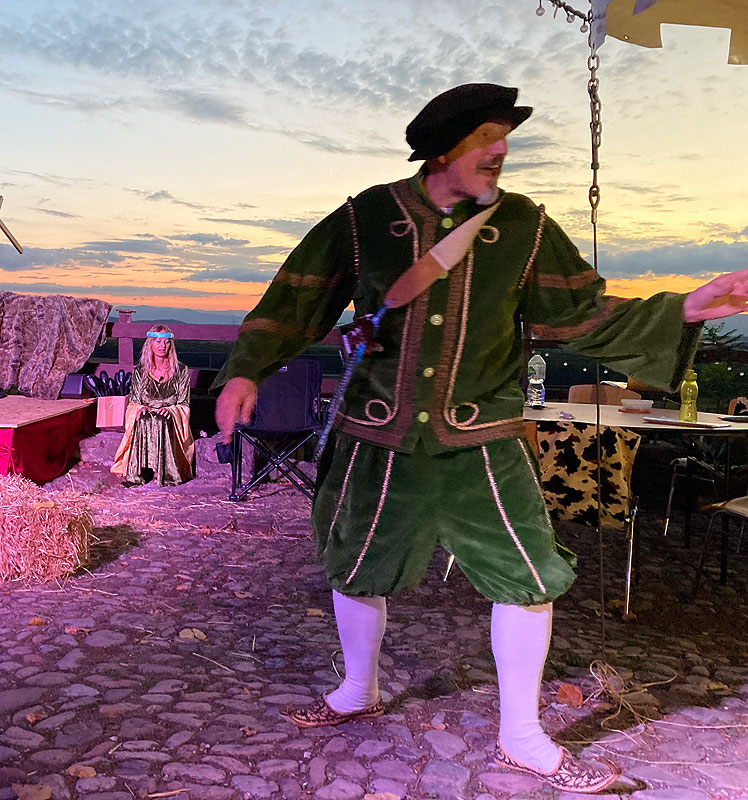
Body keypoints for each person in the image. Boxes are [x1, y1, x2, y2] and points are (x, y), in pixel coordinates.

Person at [213, 83, 748, 793]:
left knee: (527, 577)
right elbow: (296, 297)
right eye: (485, 138)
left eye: (504, 138)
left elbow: (582, 316)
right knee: (356, 564)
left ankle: (521, 735)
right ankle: (357, 689)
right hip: (379, 434)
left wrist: (686, 309)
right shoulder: (366, 217)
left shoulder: (524, 225)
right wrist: (245, 371)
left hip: (485, 441)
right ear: (443, 149)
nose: (500, 151)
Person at [112, 324, 194, 486]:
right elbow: (134, 401)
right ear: (150, 344)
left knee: (161, 420)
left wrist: (171, 411)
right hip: (146, 416)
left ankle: (166, 471)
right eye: (158, 342)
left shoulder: (181, 370)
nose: (163, 346)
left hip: (170, 419)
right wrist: (139, 408)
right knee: (144, 419)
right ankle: (142, 470)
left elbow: (184, 403)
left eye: (166, 342)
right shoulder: (140, 371)